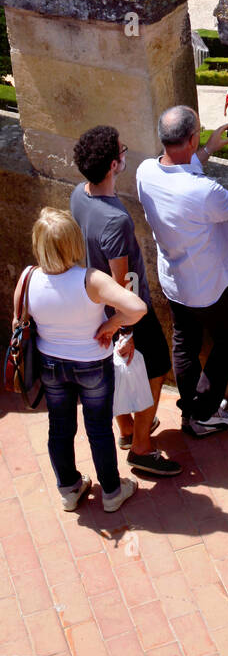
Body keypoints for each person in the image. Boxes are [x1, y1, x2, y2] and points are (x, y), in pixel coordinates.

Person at [15, 208, 145, 513]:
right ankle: (112, 492)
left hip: (50, 364)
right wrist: (112, 325)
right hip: (92, 365)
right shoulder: (91, 279)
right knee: (98, 429)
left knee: (59, 427)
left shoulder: (27, 277)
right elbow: (137, 308)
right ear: (74, 243)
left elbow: (17, 324)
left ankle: (70, 489)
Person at [70, 126, 181, 479]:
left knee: (112, 372)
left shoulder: (78, 195)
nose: (125, 153)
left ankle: (127, 431)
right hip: (124, 312)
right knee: (157, 366)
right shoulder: (116, 220)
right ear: (114, 165)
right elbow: (122, 282)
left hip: (90, 304)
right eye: (122, 150)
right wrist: (125, 330)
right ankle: (142, 449)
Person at [136, 106, 228, 437]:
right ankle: (204, 412)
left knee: (185, 342)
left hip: (174, 278)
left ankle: (190, 409)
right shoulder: (204, 192)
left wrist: (209, 149)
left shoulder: (145, 171)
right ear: (191, 137)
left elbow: (179, 169)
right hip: (208, 283)